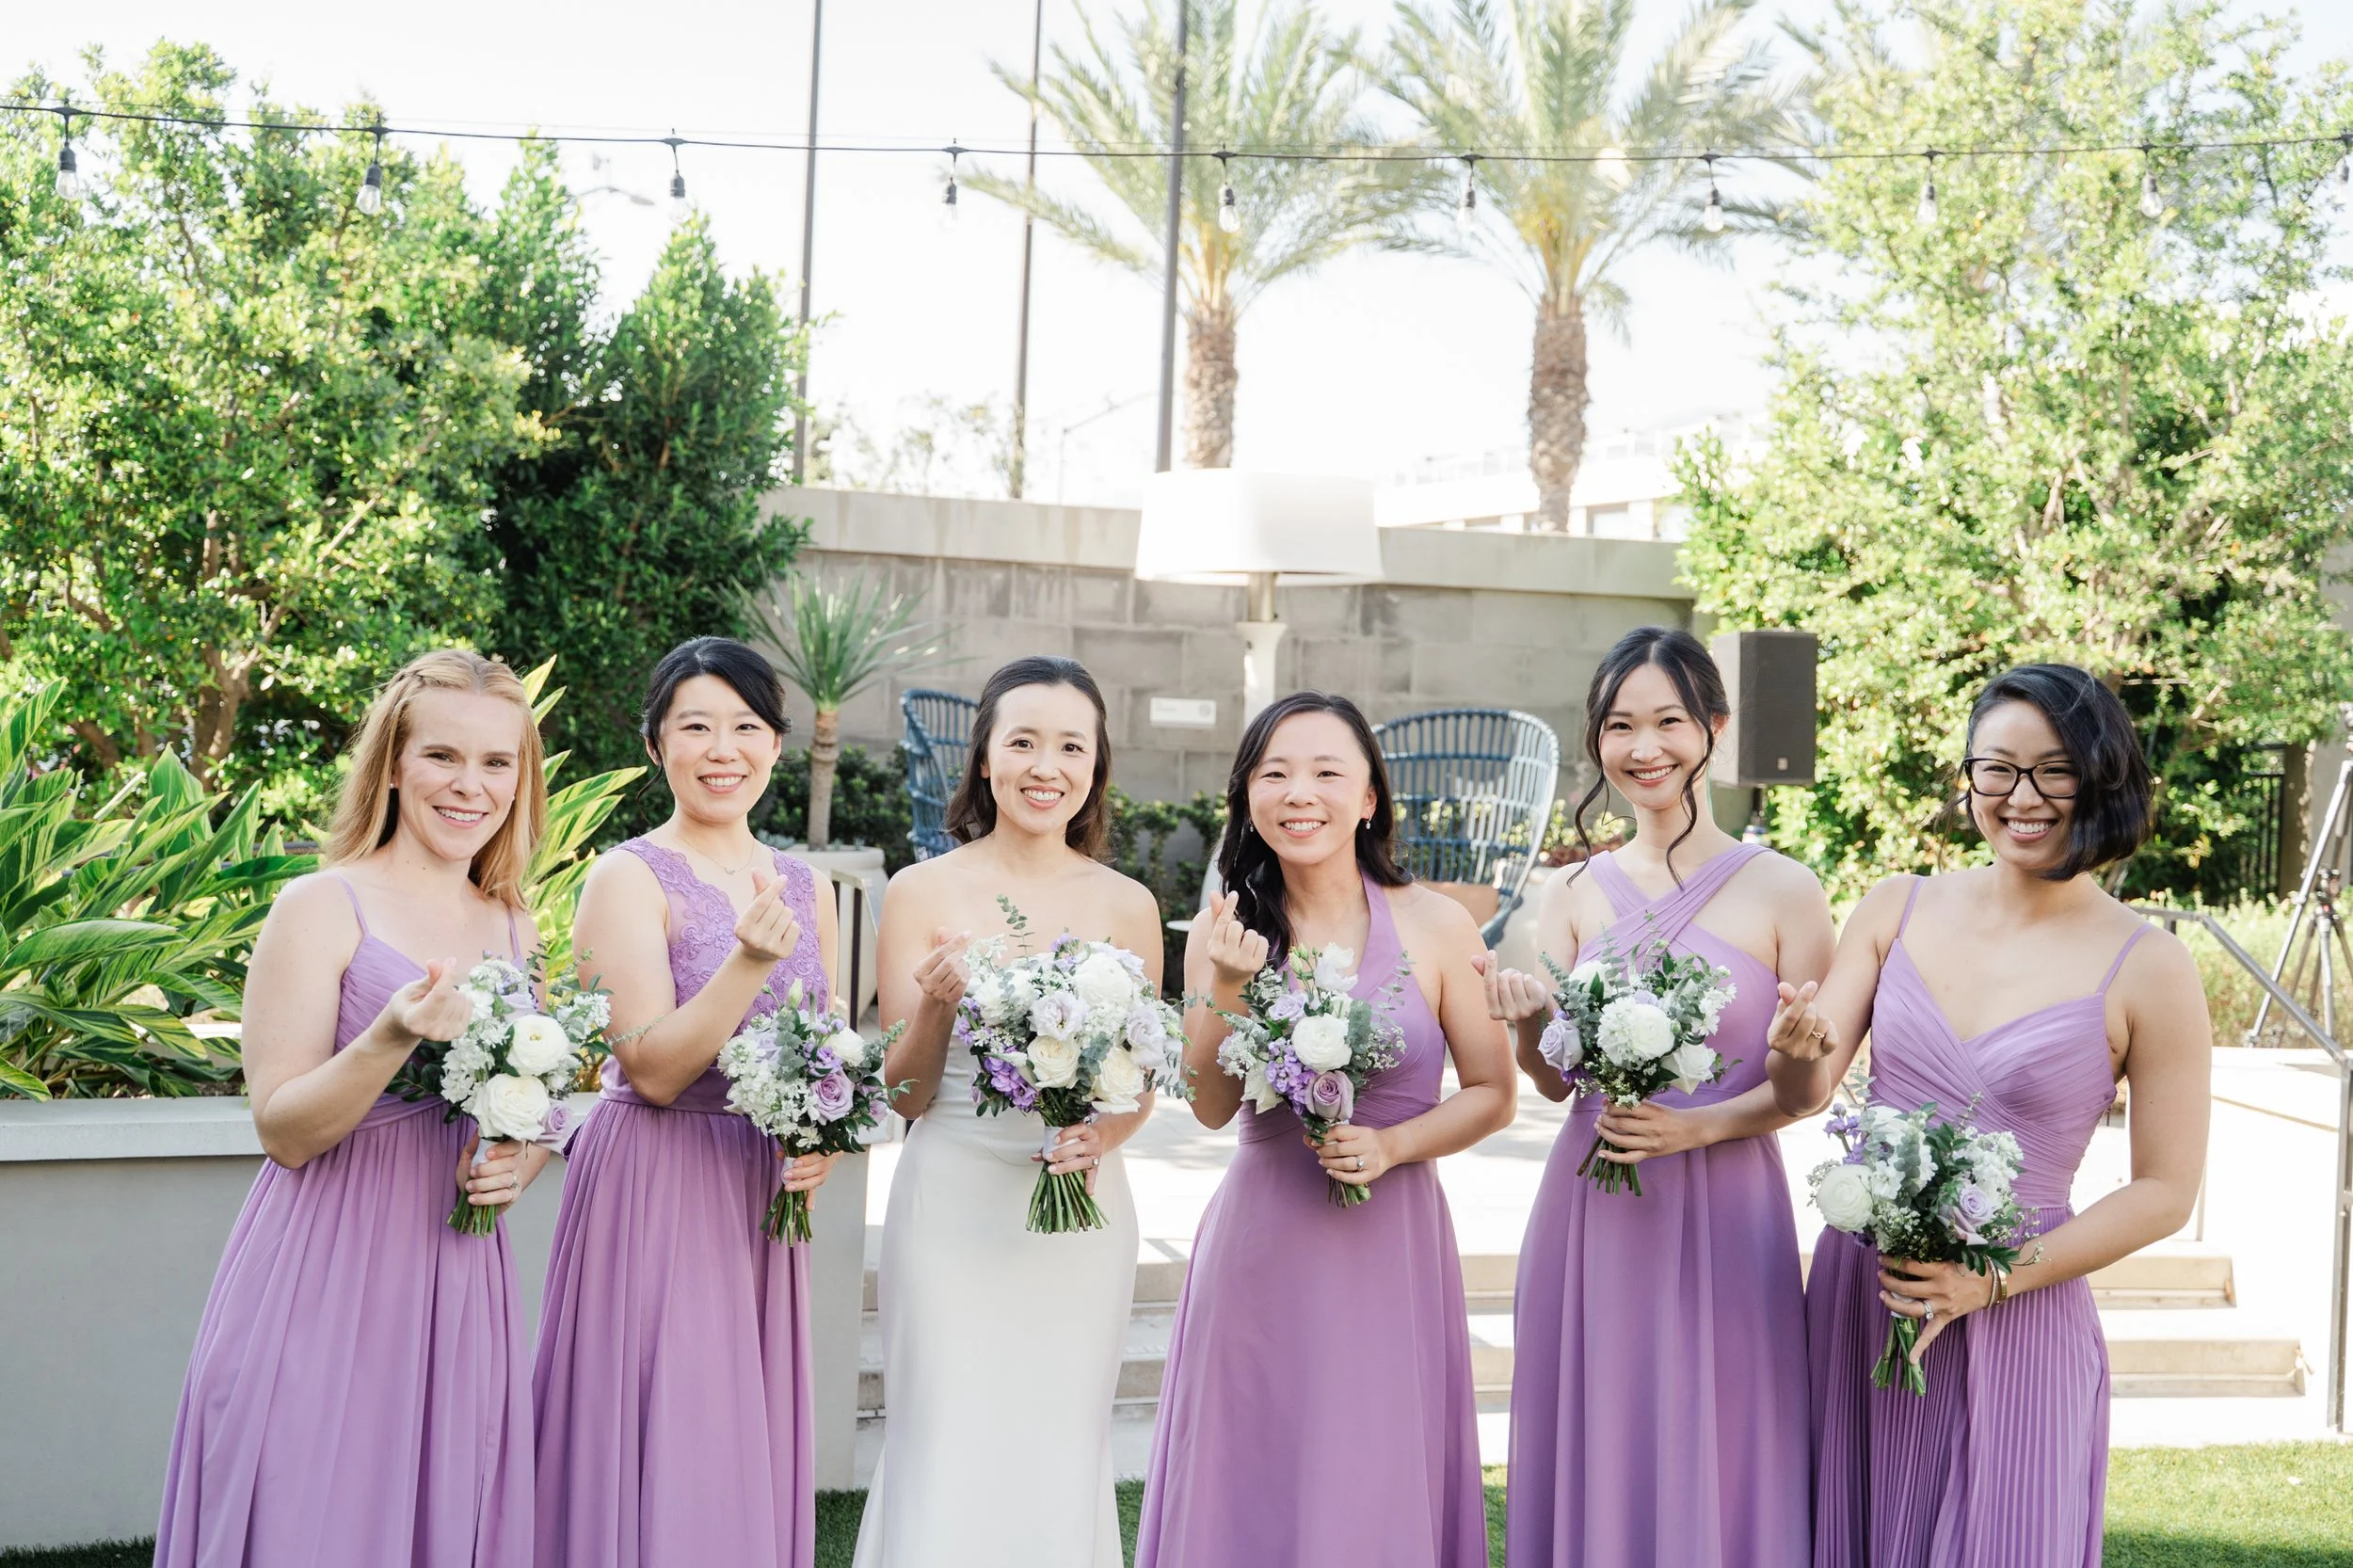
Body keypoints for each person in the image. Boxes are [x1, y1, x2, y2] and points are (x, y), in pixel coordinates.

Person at [1769, 663, 2211, 1568]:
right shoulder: (1895, 906)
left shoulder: (2151, 965)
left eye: (2054, 770)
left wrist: (1992, 1280)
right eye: (1997, 769)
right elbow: (1805, 1089)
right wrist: (1795, 1044)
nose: (2022, 797)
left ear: (2102, 777)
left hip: (2021, 1311)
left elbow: (2167, 1190)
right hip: (1868, 1294)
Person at [156, 649, 550, 1568]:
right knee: (310, 1519)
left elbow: (526, 1103)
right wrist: (389, 1035)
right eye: (442, 756)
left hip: (457, 1279)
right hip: (325, 1269)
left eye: (496, 762)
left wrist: (520, 1158)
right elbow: (283, 1131)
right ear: (394, 766)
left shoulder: (514, 924)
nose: (470, 785)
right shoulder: (320, 905)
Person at [1133, 690, 1513, 1568]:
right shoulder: (1223, 928)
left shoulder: (1438, 924)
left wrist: (1393, 1144)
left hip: (1394, 1242)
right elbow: (1208, 1105)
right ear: (1248, 797)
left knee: (1375, 1471)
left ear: (1369, 797)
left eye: (1326, 773)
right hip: (1263, 1245)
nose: (1299, 793)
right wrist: (1228, 986)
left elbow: (1493, 1092)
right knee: (1255, 1474)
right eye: (1274, 773)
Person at [1485, 627, 1831, 1567]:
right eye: (1619, 726)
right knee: (1601, 1428)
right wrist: (1527, 1025)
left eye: (1668, 721)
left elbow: (1807, 1091)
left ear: (1714, 726)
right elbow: (1555, 1079)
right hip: (1593, 1201)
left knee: (1725, 1429)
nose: (1645, 748)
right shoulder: (1569, 892)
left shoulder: (1787, 890)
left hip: (1729, 1207)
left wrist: (1702, 1125)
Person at [533, 636, 839, 1568]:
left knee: (736, 1440)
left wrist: (821, 1134)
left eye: (745, 726)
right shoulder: (624, 877)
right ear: (656, 743)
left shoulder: (808, 885)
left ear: (776, 743)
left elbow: (822, 1049)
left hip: (760, 1194)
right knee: (663, 1428)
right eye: (695, 727)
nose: (722, 750)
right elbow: (651, 1069)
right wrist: (748, 961)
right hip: (655, 1182)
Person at [853, 656, 1163, 1568]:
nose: (1045, 766)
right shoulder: (920, 890)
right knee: (945, 1441)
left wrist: (1101, 1134)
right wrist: (936, 1005)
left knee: (1059, 1448)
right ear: (985, 758)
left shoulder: (1129, 904)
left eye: (1071, 747)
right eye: (1022, 742)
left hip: (1080, 1217)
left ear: (1095, 767)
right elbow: (903, 1096)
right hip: (951, 1206)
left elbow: (1140, 1081)